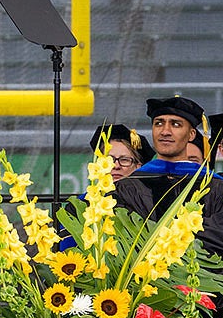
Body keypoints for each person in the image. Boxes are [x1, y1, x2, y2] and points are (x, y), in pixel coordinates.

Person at [113, 96, 223, 254]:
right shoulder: (127, 187)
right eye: (158, 123)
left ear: (191, 134)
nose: (165, 131)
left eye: (176, 124)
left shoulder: (215, 187)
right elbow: (123, 236)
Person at [89, 123, 155, 181]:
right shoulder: (88, 195)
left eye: (124, 160)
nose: (116, 166)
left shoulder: (148, 195)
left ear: (138, 167)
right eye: (110, 160)